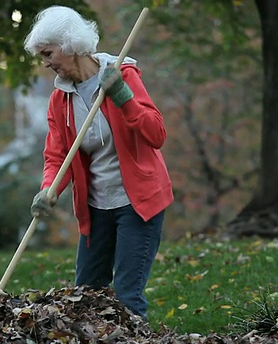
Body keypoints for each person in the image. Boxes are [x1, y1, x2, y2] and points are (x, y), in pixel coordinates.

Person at [25, 6, 173, 319]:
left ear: (69, 46)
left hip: (137, 203)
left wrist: (123, 96)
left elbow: (156, 133)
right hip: (96, 207)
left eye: (48, 53)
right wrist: (49, 189)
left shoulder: (123, 74)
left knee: (127, 298)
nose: (46, 62)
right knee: (85, 296)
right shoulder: (60, 99)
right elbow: (57, 156)